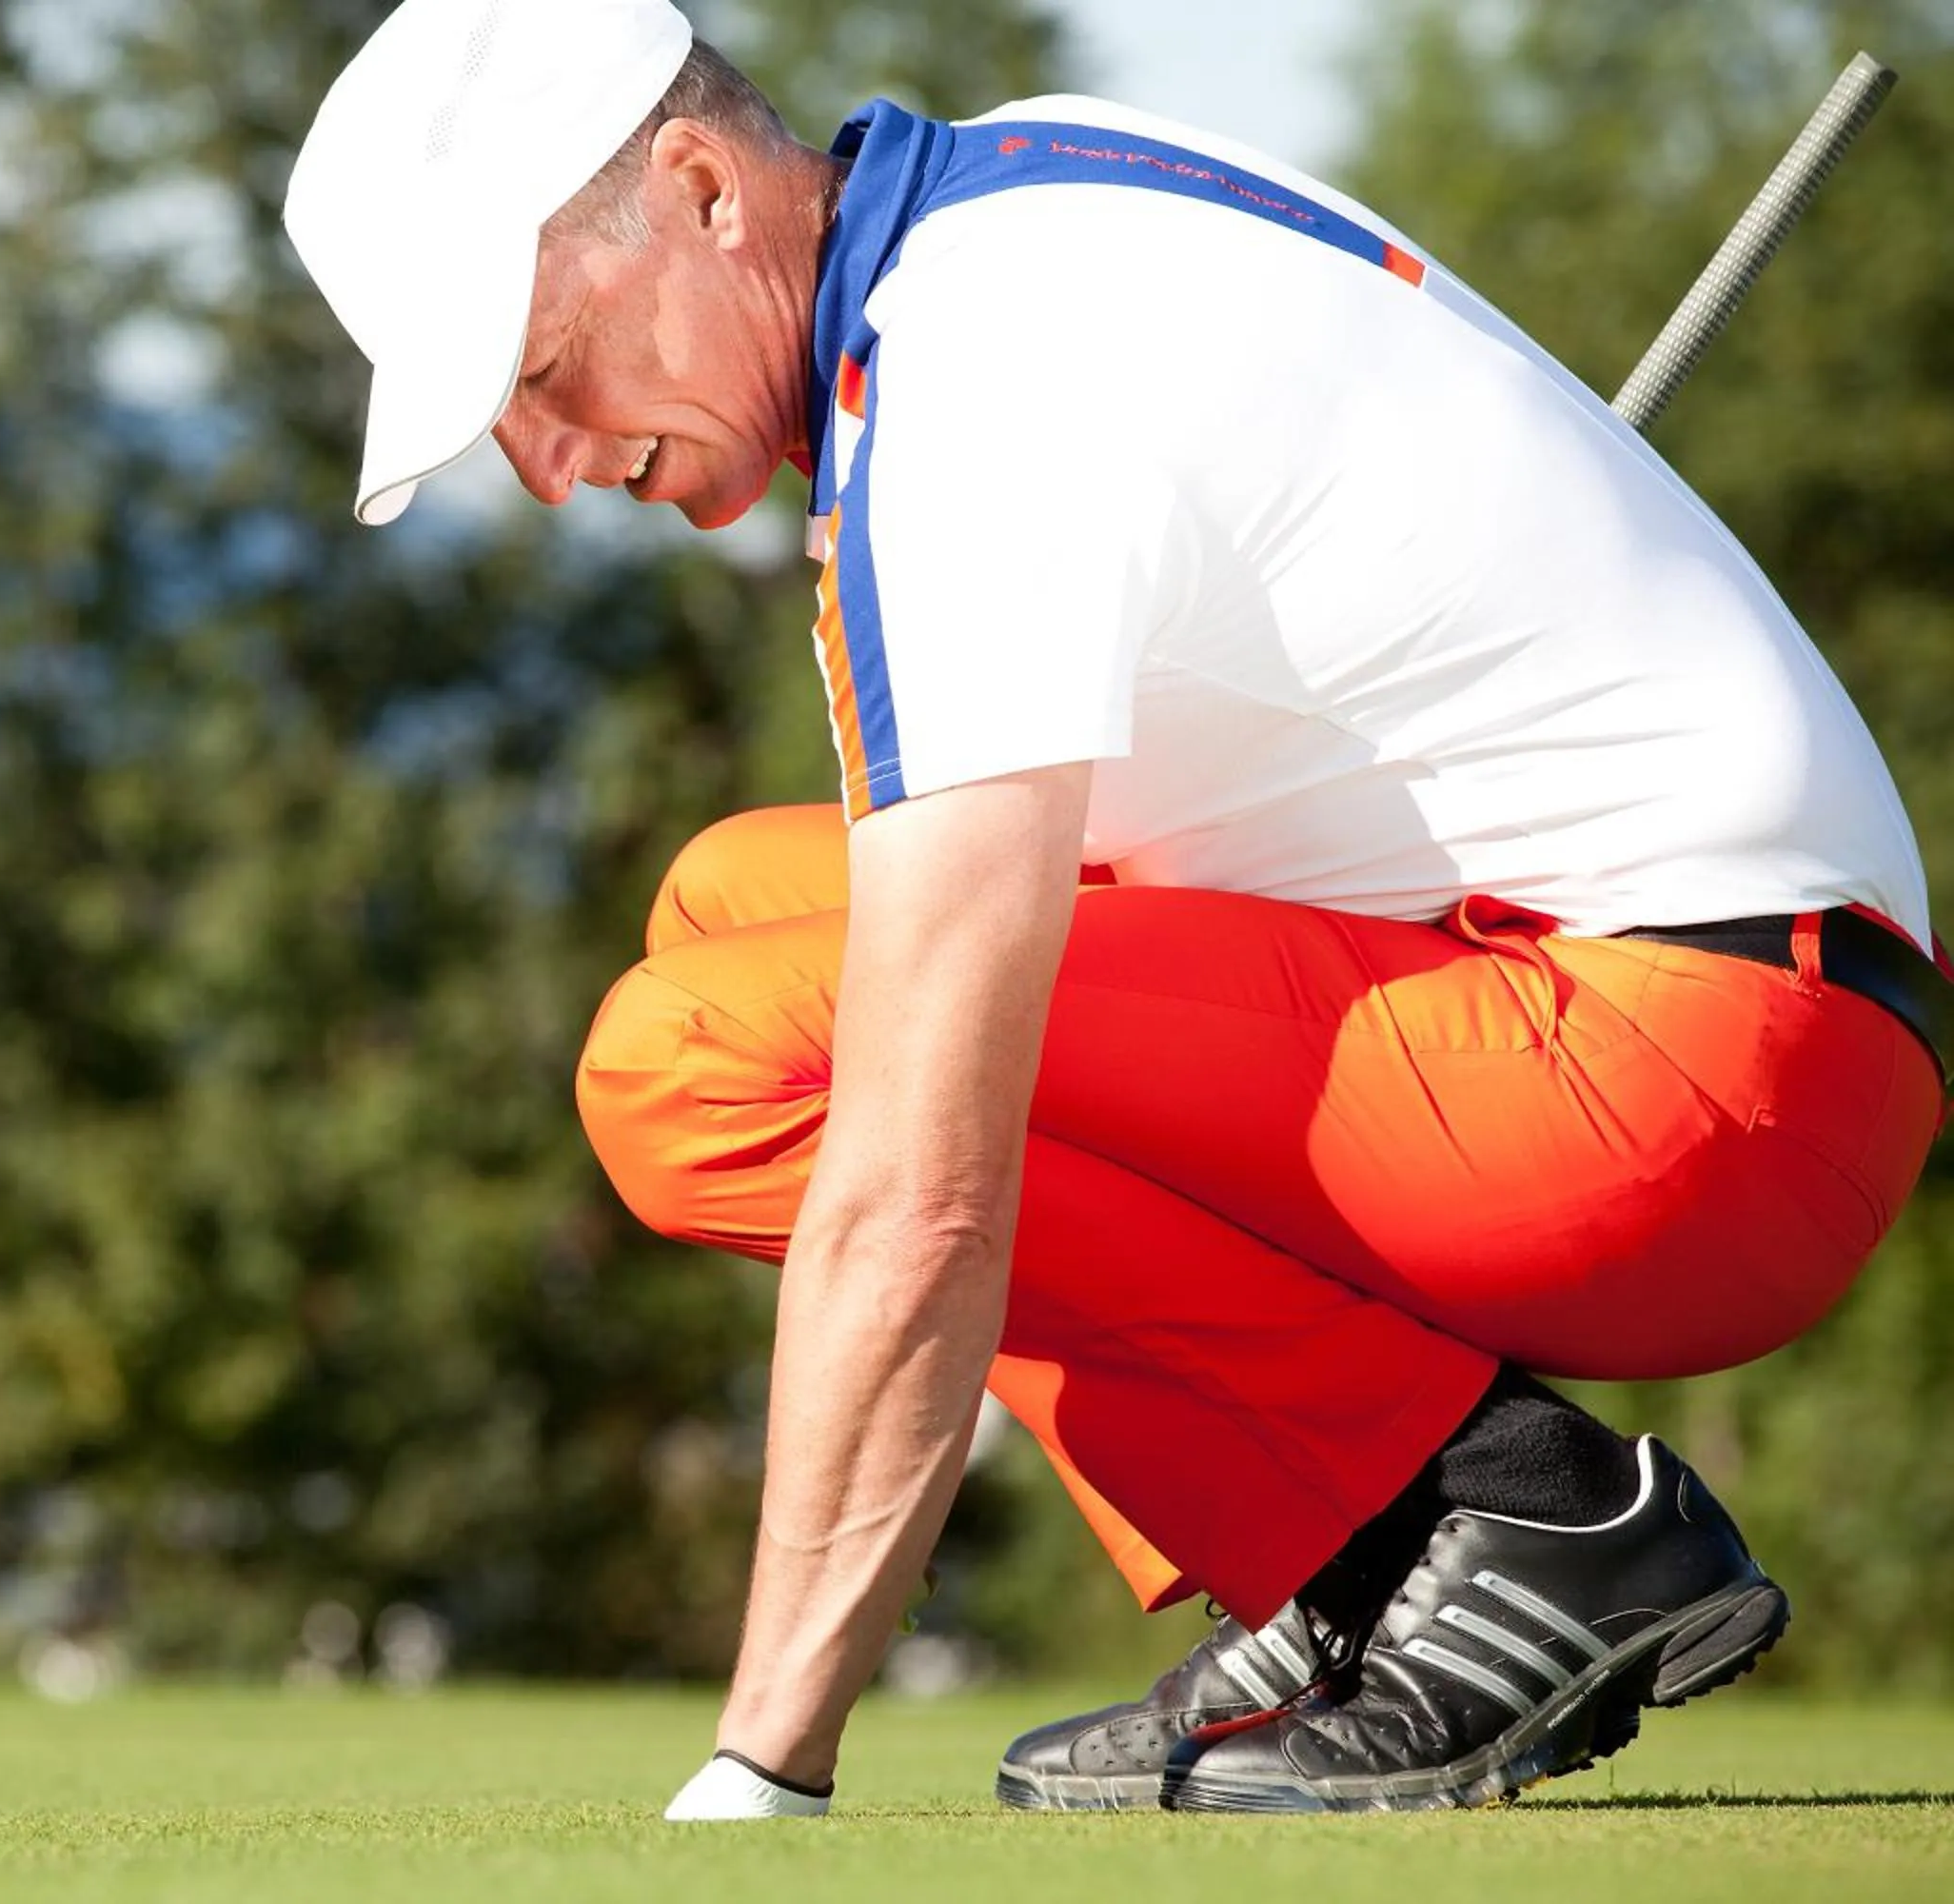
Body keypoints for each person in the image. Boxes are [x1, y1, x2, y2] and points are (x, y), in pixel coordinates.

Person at [284, 0, 1948, 1817]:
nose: (544, 465)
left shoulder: (973, 389)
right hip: (1637, 1003)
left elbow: (919, 1187)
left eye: (541, 368)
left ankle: (1485, 1520)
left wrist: (765, 1764)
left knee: (699, 1060)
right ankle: (1385, 1551)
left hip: (1698, 1078)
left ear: (698, 190)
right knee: (728, 908)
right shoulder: (1005, 210)